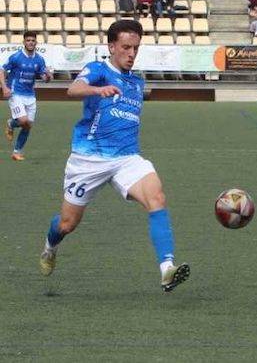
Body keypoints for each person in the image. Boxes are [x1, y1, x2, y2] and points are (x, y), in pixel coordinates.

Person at [37, 20, 190, 292]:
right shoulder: (99, 70)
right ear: (112, 47)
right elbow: (73, 89)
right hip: (88, 160)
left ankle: (167, 268)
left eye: (136, 48)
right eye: (126, 47)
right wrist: (98, 90)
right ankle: (50, 247)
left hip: (126, 159)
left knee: (157, 197)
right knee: (67, 223)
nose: (131, 54)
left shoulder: (136, 83)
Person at [1, 31, 52, 161]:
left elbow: (43, 77)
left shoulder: (39, 59)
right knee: (23, 121)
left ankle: (16, 152)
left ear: (36, 43)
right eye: (28, 40)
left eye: (33, 40)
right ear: (24, 42)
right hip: (15, 93)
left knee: (28, 125)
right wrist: (4, 87)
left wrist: (48, 76)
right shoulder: (16, 57)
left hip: (30, 95)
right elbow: (2, 70)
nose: (30, 42)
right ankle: (12, 124)